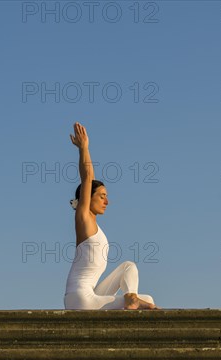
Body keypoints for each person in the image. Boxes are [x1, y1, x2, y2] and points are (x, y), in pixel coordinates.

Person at [64, 122, 160, 310]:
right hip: (79, 298)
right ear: (86, 199)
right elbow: (87, 176)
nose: (106, 201)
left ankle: (131, 298)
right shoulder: (84, 220)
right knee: (145, 304)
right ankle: (130, 302)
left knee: (130, 270)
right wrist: (84, 148)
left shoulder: (95, 228)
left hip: (89, 295)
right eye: (102, 196)